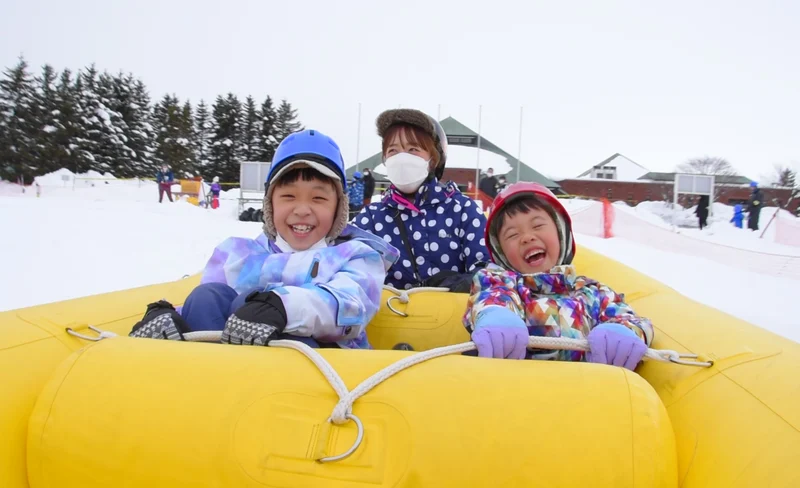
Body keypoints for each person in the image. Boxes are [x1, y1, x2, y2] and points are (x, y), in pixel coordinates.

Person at [129, 129, 399, 349]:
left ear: (338, 207)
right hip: (236, 370)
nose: (302, 209)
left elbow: (352, 306)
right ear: (270, 205)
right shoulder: (239, 254)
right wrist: (172, 314)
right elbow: (207, 305)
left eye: (318, 198)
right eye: (289, 197)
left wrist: (282, 308)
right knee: (207, 296)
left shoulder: (357, 256)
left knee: (248, 306)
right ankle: (200, 385)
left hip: (319, 367)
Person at [463, 182, 654, 371]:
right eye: (512, 235)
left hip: (586, 393)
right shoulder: (503, 284)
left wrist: (624, 331)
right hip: (518, 391)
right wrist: (497, 316)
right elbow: (492, 298)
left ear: (561, 234)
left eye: (538, 225)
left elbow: (630, 318)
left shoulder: (592, 293)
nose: (527, 237)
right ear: (501, 253)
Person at [353, 108, 489, 291]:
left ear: (433, 159)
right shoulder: (371, 218)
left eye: (413, 150)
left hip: (452, 316)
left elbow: (486, 266)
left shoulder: (462, 210)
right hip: (390, 316)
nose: (402, 158)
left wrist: (466, 284)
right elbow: (347, 266)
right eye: (393, 151)